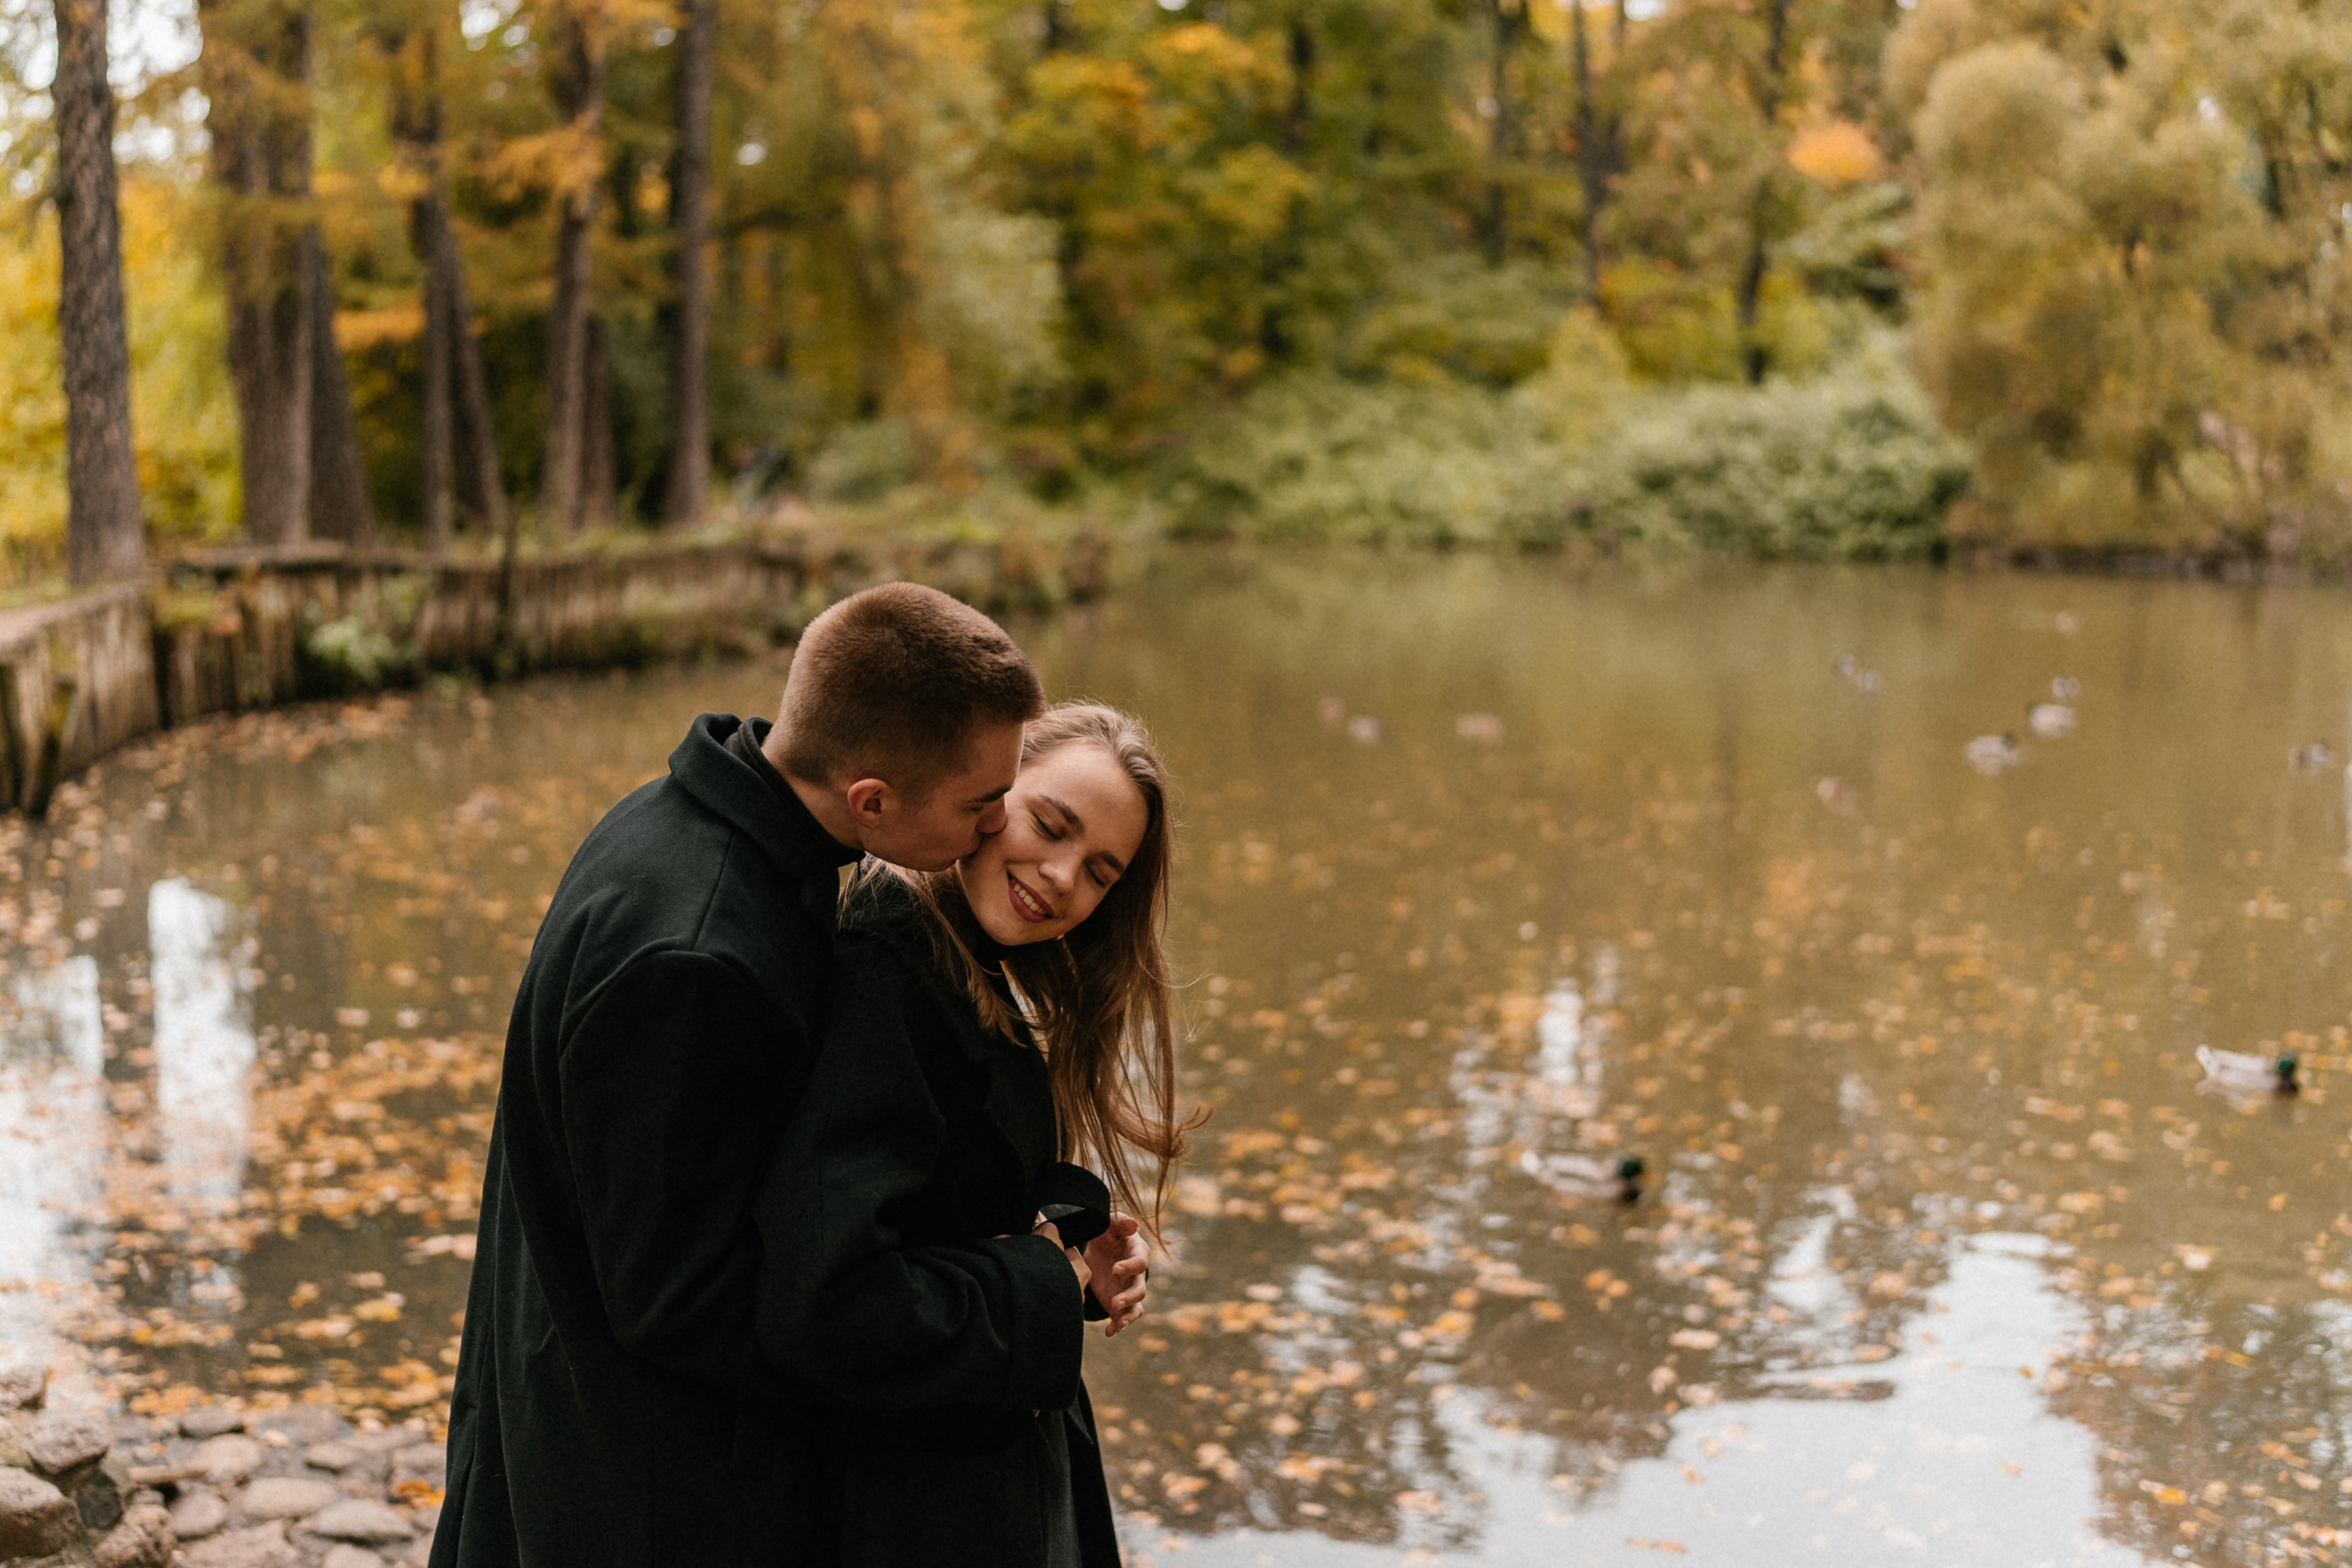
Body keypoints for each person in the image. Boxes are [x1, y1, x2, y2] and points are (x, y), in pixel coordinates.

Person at [432, 583, 1046, 1568]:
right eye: (982, 803)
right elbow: (682, 1301)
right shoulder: (699, 955)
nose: (998, 824)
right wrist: (1016, 1291)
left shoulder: (685, 823)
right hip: (639, 1495)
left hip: (577, 1413)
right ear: (872, 801)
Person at [761, 703, 1194, 1568]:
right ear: (989, 792)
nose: (1066, 878)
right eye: (1050, 824)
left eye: (1100, 872)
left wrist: (1066, 1249)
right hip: (906, 1507)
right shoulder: (884, 977)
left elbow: (932, 1208)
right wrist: (1042, 1276)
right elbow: (830, 1298)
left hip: (965, 1482)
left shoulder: (960, 963)